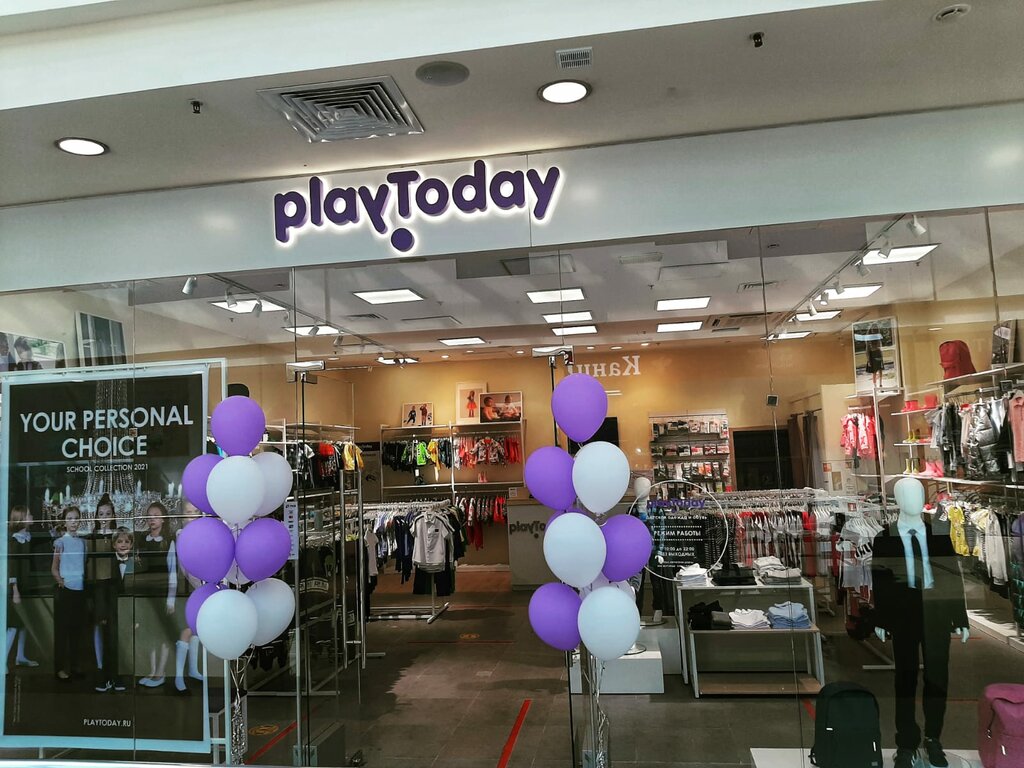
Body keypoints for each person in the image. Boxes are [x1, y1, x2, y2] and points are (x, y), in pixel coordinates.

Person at [871, 477, 969, 768]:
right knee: (905, 677)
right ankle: (906, 742)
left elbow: (951, 576)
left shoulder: (938, 534)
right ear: (898, 500)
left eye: (917, 494)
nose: (913, 501)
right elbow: (881, 581)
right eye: (907, 495)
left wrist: (960, 617)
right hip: (904, 613)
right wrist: (882, 618)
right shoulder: (884, 538)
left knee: (937, 677)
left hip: (936, 610)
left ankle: (933, 738)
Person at [135, 502, 177, 689]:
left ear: (163, 519)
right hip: (146, 592)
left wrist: (170, 600)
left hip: (162, 592)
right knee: (149, 633)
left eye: (156, 515)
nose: (152, 519)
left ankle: (161, 672)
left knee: (161, 634)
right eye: (149, 515)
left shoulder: (168, 541)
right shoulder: (142, 540)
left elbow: (173, 572)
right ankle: (152, 670)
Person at [94, 526, 136, 692]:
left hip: (126, 609)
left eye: (127, 541)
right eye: (119, 541)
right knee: (109, 644)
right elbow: (100, 589)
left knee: (123, 645)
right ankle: (106, 677)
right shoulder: (106, 562)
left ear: (131, 545)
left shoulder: (135, 562)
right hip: (110, 610)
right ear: (113, 545)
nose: (123, 544)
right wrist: (102, 614)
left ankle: (118, 678)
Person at [51, 506, 87, 680]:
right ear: (65, 522)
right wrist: (61, 582)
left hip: (80, 591)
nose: (73, 522)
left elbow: (83, 565)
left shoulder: (83, 543)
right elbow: (54, 568)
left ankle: (75, 666)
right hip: (65, 591)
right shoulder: (60, 542)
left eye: (76, 518)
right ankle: (59, 668)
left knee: (76, 631)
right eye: (70, 518)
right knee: (62, 632)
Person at [173, 501, 204, 694]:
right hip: (188, 587)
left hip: (199, 586)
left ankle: (193, 670)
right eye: (188, 512)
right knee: (188, 629)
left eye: (195, 511)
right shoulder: (182, 535)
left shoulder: (202, 532)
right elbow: (186, 567)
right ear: (182, 515)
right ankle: (178, 677)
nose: (192, 515)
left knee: (196, 629)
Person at [88, 495, 119, 692]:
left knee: (113, 630)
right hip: (97, 588)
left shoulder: (118, 536)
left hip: (113, 586)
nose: (104, 517)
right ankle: (102, 672)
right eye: (101, 514)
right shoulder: (91, 538)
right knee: (100, 627)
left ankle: (113, 674)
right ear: (97, 516)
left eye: (108, 514)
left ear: (113, 515)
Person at [6, 505, 39, 668]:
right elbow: (12, 568)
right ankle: (2, 661)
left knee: (23, 624)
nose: (31, 516)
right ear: (21, 520)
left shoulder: (27, 537)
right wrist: (15, 590)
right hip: (15, 589)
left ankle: (20, 656)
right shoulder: (15, 540)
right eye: (28, 515)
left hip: (25, 587)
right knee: (13, 626)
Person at [864, 323, 884, 389]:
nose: (874, 330)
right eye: (873, 329)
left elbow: (880, 346)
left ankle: (880, 384)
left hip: (878, 353)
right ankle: (875, 386)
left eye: (875, 329)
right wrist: (868, 360)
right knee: (874, 371)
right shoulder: (869, 338)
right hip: (873, 354)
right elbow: (867, 349)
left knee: (880, 370)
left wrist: (881, 354)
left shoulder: (878, 337)